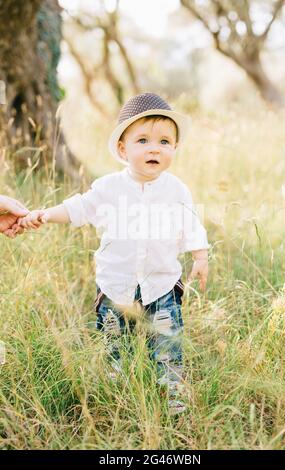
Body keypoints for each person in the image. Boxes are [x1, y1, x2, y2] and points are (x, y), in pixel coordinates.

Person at [16, 93, 209, 415]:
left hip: (161, 284)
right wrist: (46, 214)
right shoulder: (108, 188)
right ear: (123, 149)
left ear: (174, 149)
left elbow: (190, 223)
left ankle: (173, 390)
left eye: (164, 141)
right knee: (112, 341)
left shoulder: (177, 189)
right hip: (115, 285)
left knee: (167, 341)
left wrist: (200, 256)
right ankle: (114, 385)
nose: (154, 148)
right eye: (143, 140)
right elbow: (79, 208)